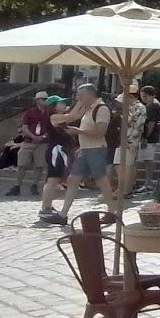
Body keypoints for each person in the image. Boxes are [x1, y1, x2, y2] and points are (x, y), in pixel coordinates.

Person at [45, 83, 110, 222]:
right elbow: (74, 116)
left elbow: (100, 132)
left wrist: (77, 131)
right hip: (85, 150)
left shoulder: (101, 108)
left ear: (90, 94)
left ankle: (111, 212)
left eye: (81, 95)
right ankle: (63, 215)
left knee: (101, 181)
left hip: (96, 149)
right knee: (72, 180)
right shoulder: (88, 109)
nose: (78, 98)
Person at [36, 95, 75, 224]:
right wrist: (81, 104)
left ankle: (47, 205)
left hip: (60, 150)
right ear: (54, 106)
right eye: (61, 103)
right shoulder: (54, 117)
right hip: (56, 151)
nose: (64, 104)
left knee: (54, 179)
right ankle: (45, 208)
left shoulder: (58, 117)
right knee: (53, 180)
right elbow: (72, 117)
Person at [8, 89, 50, 197]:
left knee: (39, 165)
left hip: (43, 142)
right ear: (37, 100)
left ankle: (34, 185)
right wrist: (33, 136)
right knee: (22, 164)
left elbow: (51, 127)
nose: (45, 101)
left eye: (46, 99)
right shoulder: (30, 112)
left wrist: (43, 136)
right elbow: (24, 127)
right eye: (43, 99)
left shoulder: (49, 112)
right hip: (29, 141)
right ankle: (17, 185)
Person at [110, 86, 145, 200]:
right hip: (123, 139)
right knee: (120, 164)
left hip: (130, 139)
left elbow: (134, 124)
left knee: (126, 165)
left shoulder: (138, 108)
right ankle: (124, 188)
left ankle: (125, 189)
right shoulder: (130, 107)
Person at [138, 85, 160, 193]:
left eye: (144, 96)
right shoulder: (155, 104)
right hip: (152, 136)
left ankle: (148, 183)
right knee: (147, 160)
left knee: (148, 160)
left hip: (150, 137)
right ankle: (148, 182)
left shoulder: (152, 106)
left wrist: (146, 137)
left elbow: (151, 123)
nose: (142, 98)